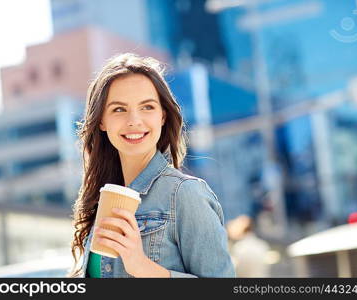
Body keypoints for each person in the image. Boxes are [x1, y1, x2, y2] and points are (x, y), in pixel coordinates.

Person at [67, 53, 235, 278]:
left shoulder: (185, 195)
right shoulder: (102, 202)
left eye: (147, 107)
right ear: (101, 121)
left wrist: (142, 267)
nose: (134, 120)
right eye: (119, 109)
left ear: (163, 116)